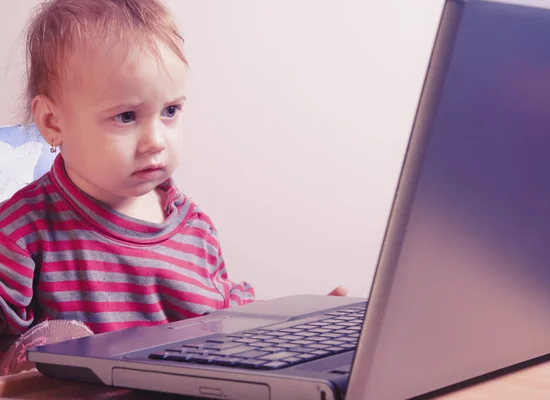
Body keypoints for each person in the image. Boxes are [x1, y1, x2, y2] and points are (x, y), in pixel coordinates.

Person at [0, 0, 346, 361]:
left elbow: (231, 320)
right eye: (126, 116)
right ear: (54, 122)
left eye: (170, 111)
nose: (155, 142)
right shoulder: (20, 232)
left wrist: (301, 323)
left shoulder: (196, 231)